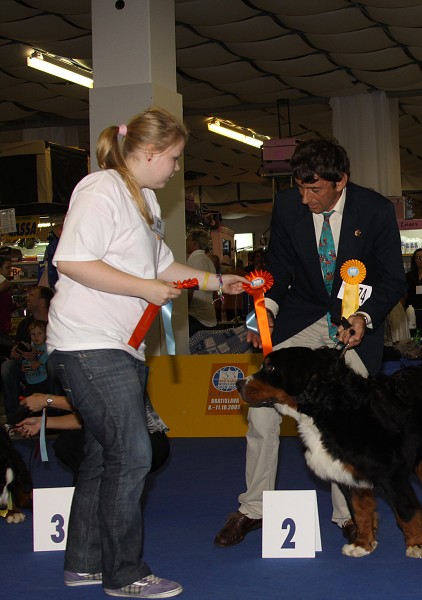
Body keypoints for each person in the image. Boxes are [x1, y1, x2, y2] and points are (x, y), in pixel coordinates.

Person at [46, 106, 246, 598]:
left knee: (102, 456)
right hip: (87, 344)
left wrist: (219, 281)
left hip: (119, 346)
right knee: (134, 454)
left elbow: (164, 267)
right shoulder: (100, 189)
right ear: (150, 152)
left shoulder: (146, 202)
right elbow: (70, 261)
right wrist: (142, 286)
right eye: (174, 158)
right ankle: (125, 574)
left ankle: (85, 563)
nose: (176, 168)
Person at [213, 138, 406, 548]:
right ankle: (253, 508)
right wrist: (264, 311)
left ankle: (346, 515)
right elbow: (279, 270)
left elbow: (392, 279)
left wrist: (363, 317)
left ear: (342, 181)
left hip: (349, 324)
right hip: (299, 319)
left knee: (345, 416)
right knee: (262, 410)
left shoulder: (374, 210)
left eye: (314, 189)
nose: (304, 198)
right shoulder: (286, 207)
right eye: (300, 188)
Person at [12, 387, 170, 483]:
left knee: (84, 446)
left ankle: (105, 494)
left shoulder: (121, 365)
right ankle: (93, 493)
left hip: (148, 442)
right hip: (117, 437)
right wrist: (42, 423)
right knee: (67, 444)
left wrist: (47, 400)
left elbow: (100, 406)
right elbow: (91, 417)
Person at [2, 286, 54, 424]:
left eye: (31, 295)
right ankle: (14, 420)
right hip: (28, 367)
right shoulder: (25, 324)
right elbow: (19, 350)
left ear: (42, 301)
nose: (27, 297)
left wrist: (40, 357)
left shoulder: (55, 321)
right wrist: (16, 355)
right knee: (7, 367)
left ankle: (56, 411)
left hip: (49, 365)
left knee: (52, 365)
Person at [185, 229, 218, 336]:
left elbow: (190, 288)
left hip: (196, 315)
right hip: (209, 313)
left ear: (194, 243)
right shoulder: (209, 261)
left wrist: (185, 309)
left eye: (188, 239)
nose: (186, 242)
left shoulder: (193, 261)